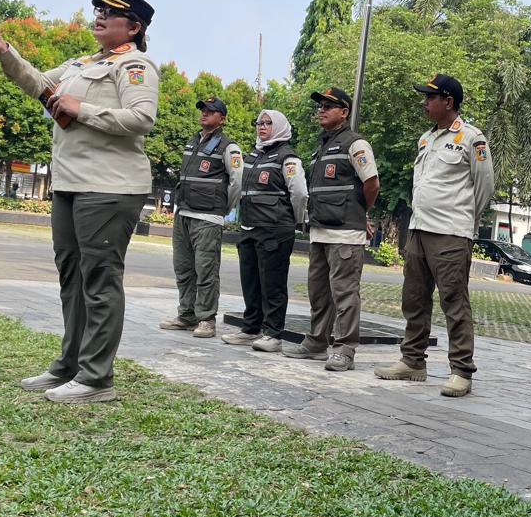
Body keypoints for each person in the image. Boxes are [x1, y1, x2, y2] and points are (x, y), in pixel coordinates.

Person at [0, 0, 159, 404]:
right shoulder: (81, 63)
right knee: (73, 277)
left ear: (134, 26)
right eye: (99, 9)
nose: (100, 15)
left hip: (109, 186)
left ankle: (96, 378)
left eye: (112, 12)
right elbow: (38, 85)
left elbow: (142, 119)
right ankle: (70, 365)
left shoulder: (135, 65)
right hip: (69, 183)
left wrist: (81, 109)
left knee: (100, 280)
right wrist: (5, 51)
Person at [375, 74, 494, 397]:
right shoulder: (426, 139)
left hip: (451, 233)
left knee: (454, 301)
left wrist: (466, 222)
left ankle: (461, 371)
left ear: (449, 102)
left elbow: (484, 187)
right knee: (413, 299)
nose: (425, 103)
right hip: (420, 229)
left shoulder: (471, 138)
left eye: (430, 98)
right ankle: (412, 361)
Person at [284, 86, 380, 372]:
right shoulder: (322, 146)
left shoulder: (356, 144)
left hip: (345, 235)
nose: (321, 110)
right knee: (318, 291)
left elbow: (371, 183)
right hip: (320, 232)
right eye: (320, 106)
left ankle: (345, 348)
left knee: (345, 293)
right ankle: (316, 340)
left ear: (345, 112)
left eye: (329, 105)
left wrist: (361, 212)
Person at [222, 109, 307, 353]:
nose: (262, 126)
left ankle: (273, 334)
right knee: (250, 281)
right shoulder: (253, 155)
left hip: (275, 230)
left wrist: (296, 221)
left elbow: (299, 194)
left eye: (268, 123)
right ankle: (251, 329)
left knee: (273, 284)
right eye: (259, 122)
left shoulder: (288, 158)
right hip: (249, 227)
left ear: (279, 126)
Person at [160, 96, 242, 338]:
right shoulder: (192, 141)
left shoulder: (229, 146)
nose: (204, 113)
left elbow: (236, 182)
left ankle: (207, 318)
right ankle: (186, 315)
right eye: (203, 110)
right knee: (183, 268)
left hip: (208, 217)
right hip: (183, 213)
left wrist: (223, 208)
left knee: (205, 270)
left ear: (222, 118)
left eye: (211, 111)